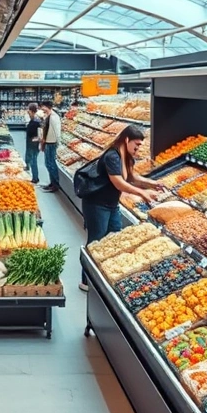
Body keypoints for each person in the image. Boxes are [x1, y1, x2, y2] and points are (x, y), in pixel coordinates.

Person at [79, 125, 162, 291]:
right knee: (95, 241)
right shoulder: (112, 156)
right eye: (136, 145)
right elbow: (119, 182)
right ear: (126, 140)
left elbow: (131, 177)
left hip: (111, 205)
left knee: (115, 239)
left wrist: (152, 184)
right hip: (96, 204)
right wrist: (143, 193)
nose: (138, 149)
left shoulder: (128, 157)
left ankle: (105, 277)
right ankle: (86, 280)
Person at [38, 100, 61, 192]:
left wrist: (57, 143)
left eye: (42, 107)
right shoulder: (48, 116)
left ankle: (55, 185)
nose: (41, 109)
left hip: (52, 143)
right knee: (48, 164)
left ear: (47, 107)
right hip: (48, 142)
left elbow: (56, 132)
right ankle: (52, 183)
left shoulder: (54, 117)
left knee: (51, 164)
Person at [24, 103, 41, 184]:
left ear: (31, 111)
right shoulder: (33, 119)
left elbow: (40, 132)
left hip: (34, 143)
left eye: (29, 110)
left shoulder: (37, 121)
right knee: (29, 156)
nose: (27, 111)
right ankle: (27, 167)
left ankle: (35, 178)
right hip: (30, 141)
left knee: (33, 160)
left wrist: (37, 139)